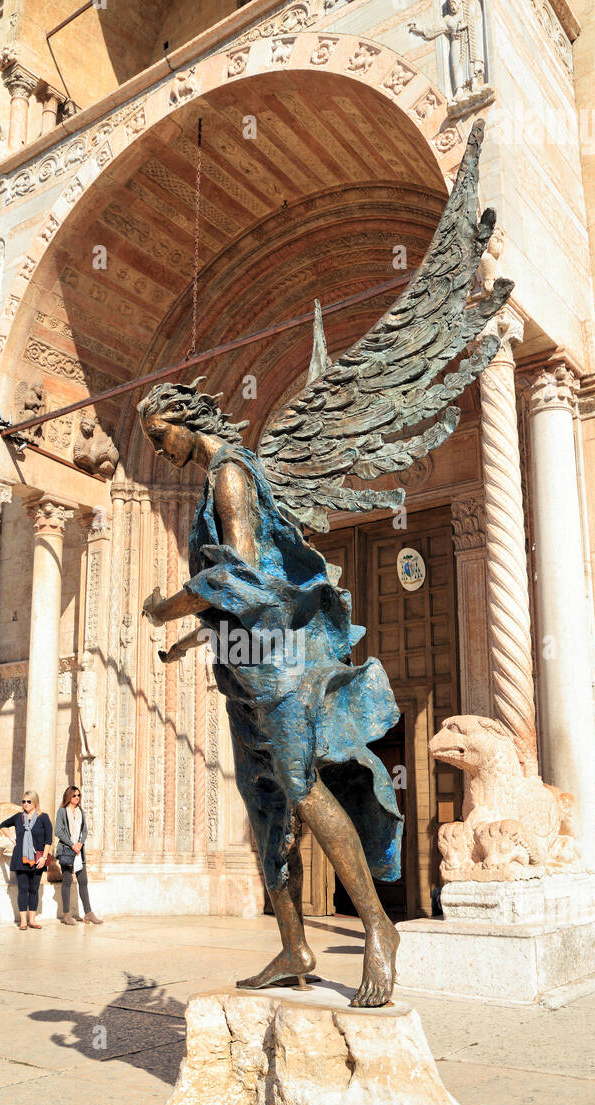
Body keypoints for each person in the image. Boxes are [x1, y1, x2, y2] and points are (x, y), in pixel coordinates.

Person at [138, 381, 403, 1007]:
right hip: (244, 672)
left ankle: (378, 926)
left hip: (277, 674)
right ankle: (293, 945)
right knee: (265, 814)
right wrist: (198, 639)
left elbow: (244, 577)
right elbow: (240, 607)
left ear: (183, 418)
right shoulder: (214, 480)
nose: (159, 452)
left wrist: (166, 608)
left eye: (158, 437)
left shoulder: (229, 473)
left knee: (303, 791)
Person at [0, 792, 52, 930]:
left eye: (28, 801)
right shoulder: (19, 817)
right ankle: (23, 922)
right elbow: (3, 825)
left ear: (35, 802)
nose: (25, 804)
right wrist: (12, 838)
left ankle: (32, 920)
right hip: (20, 858)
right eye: (23, 801)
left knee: (34, 889)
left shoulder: (44, 818)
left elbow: (48, 840)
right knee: (23, 889)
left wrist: (44, 857)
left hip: (37, 859)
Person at [55, 785, 102, 925]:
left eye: (79, 795)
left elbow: (85, 831)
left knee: (83, 881)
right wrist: (72, 844)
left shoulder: (81, 811)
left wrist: (80, 843)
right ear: (69, 796)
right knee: (67, 882)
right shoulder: (62, 811)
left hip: (79, 852)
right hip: (67, 851)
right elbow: (58, 831)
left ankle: (88, 913)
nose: (77, 798)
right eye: (75, 795)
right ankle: (66, 914)